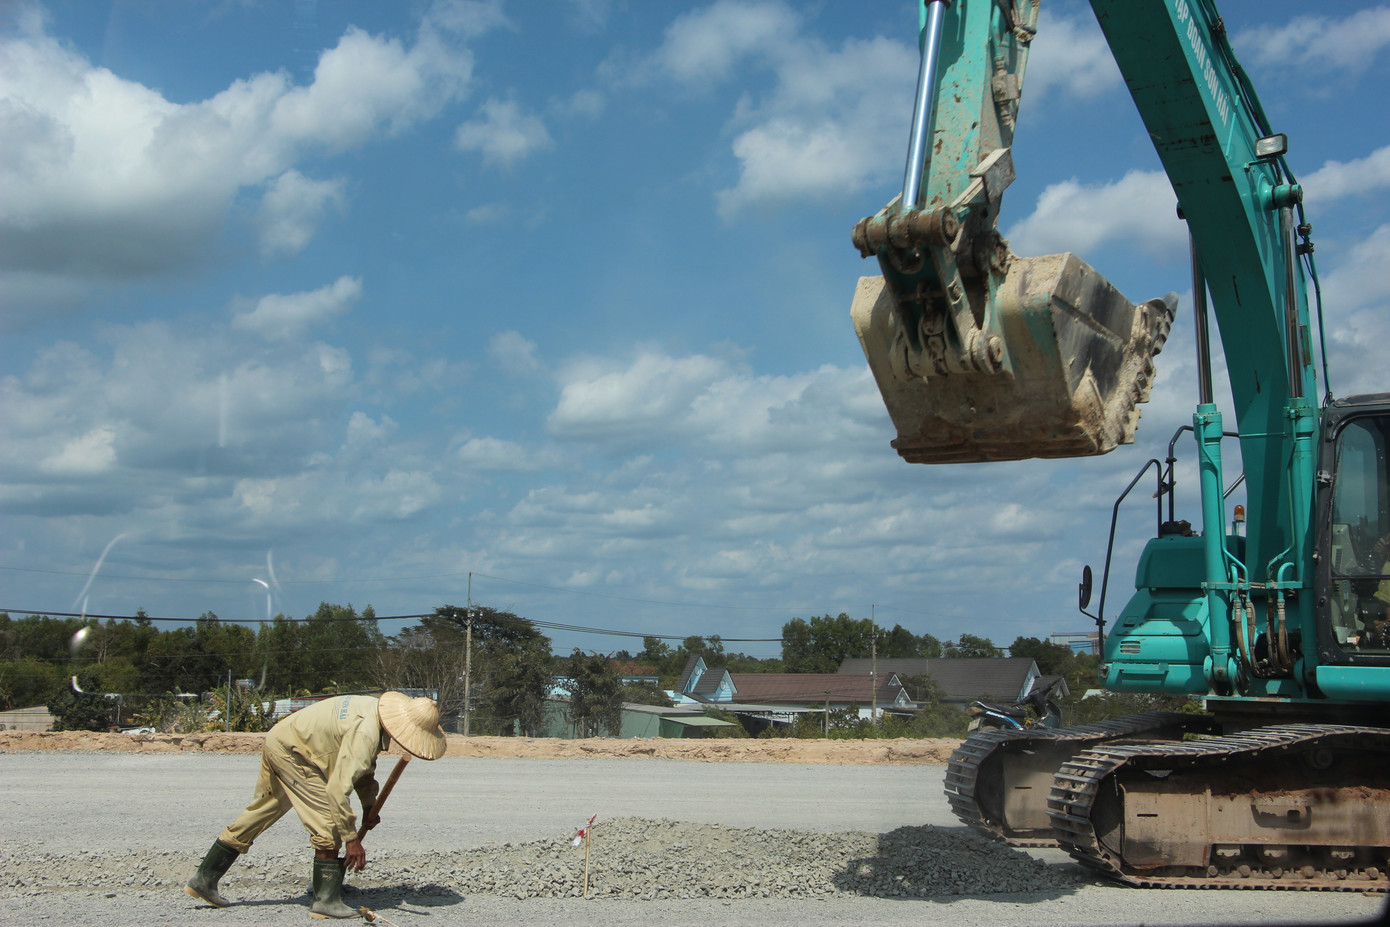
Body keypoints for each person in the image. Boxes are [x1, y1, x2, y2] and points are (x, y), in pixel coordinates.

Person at [185, 691, 446, 918]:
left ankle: (204, 879)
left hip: (283, 739)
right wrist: (351, 839)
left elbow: (363, 772)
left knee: (265, 809)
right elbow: (337, 790)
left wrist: (369, 805)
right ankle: (326, 900)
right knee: (329, 822)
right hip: (294, 752)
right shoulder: (365, 734)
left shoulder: (372, 711)